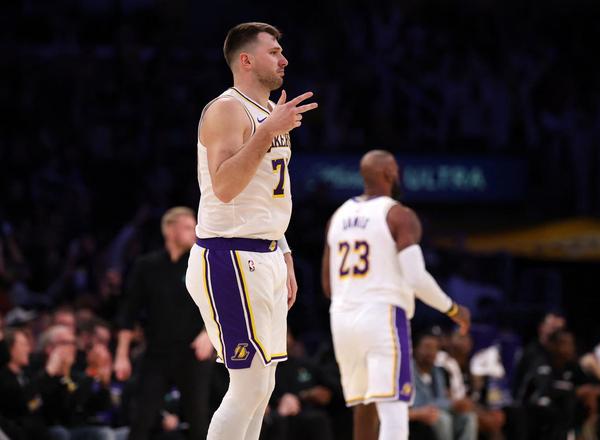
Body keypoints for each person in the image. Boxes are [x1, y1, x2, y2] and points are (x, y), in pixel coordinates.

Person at [184, 21, 318, 440]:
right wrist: (268, 132)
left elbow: (267, 198)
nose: (284, 59)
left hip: (265, 253)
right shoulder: (226, 110)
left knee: (263, 387)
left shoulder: (268, 112)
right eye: (274, 52)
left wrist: (285, 253)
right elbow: (224, 186)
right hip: (229, 255)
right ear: (246, 60)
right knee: (247, 386)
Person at [322, 150, 470, 440]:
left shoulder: (337, 216)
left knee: (364, 406)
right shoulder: (399, 215)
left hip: (342, 317)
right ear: (389, 173)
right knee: (394, 409)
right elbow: (416, 278)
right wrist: (453, 309)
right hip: (382, 315)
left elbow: (328, 286)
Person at [114, 207, 214, 440]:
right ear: (170, 229)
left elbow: (221, 303)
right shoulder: (146, 266)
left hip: (193, 353)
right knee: (142, 419)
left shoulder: (202, 263)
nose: (195, 232)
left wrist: (209, 333)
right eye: (188, 227)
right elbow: (129, 312)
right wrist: (121, 354)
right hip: (157, 352)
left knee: (198, 421)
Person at [410, 333, 478, 440]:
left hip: (439, 412)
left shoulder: (440, 371)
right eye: (427, 347)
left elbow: (444, 397)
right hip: (417, 416)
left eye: (434, 348)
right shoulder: (409, 372)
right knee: (443, 419)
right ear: (415, 350)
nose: (431, 352)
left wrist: (456, 404)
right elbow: (419, 403)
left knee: (468, 417)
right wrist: (451, 404)